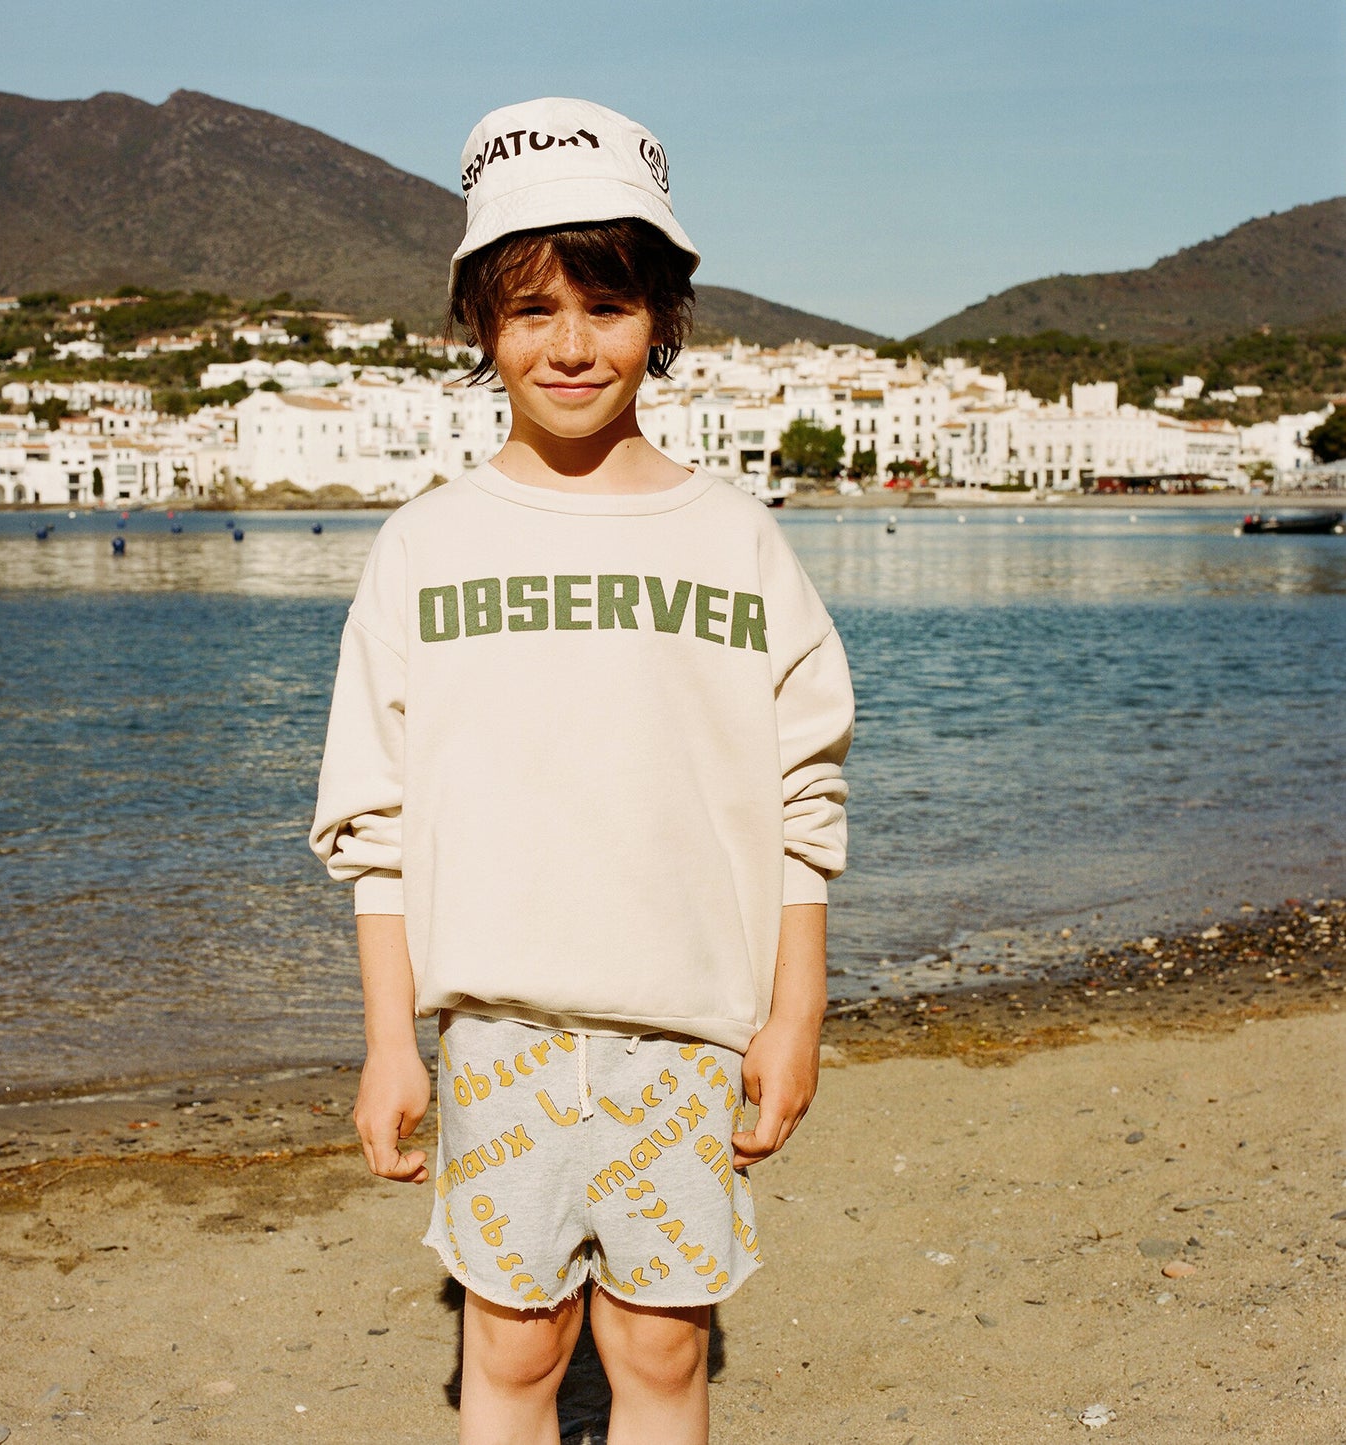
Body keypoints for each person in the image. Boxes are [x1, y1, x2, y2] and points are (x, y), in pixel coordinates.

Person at [310, 96, 854, 1445]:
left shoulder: (733, 541)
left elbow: (802, 801)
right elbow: (372, 822)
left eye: (605, 307)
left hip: (685, 1033)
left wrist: (795, 1013)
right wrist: (390, 1043)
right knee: (511, 1341)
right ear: (479, 325)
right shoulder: (426, 547)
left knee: (663, 1350)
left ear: (660, 321)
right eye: (531, 308)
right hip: (495, 1035)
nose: (568, 345)